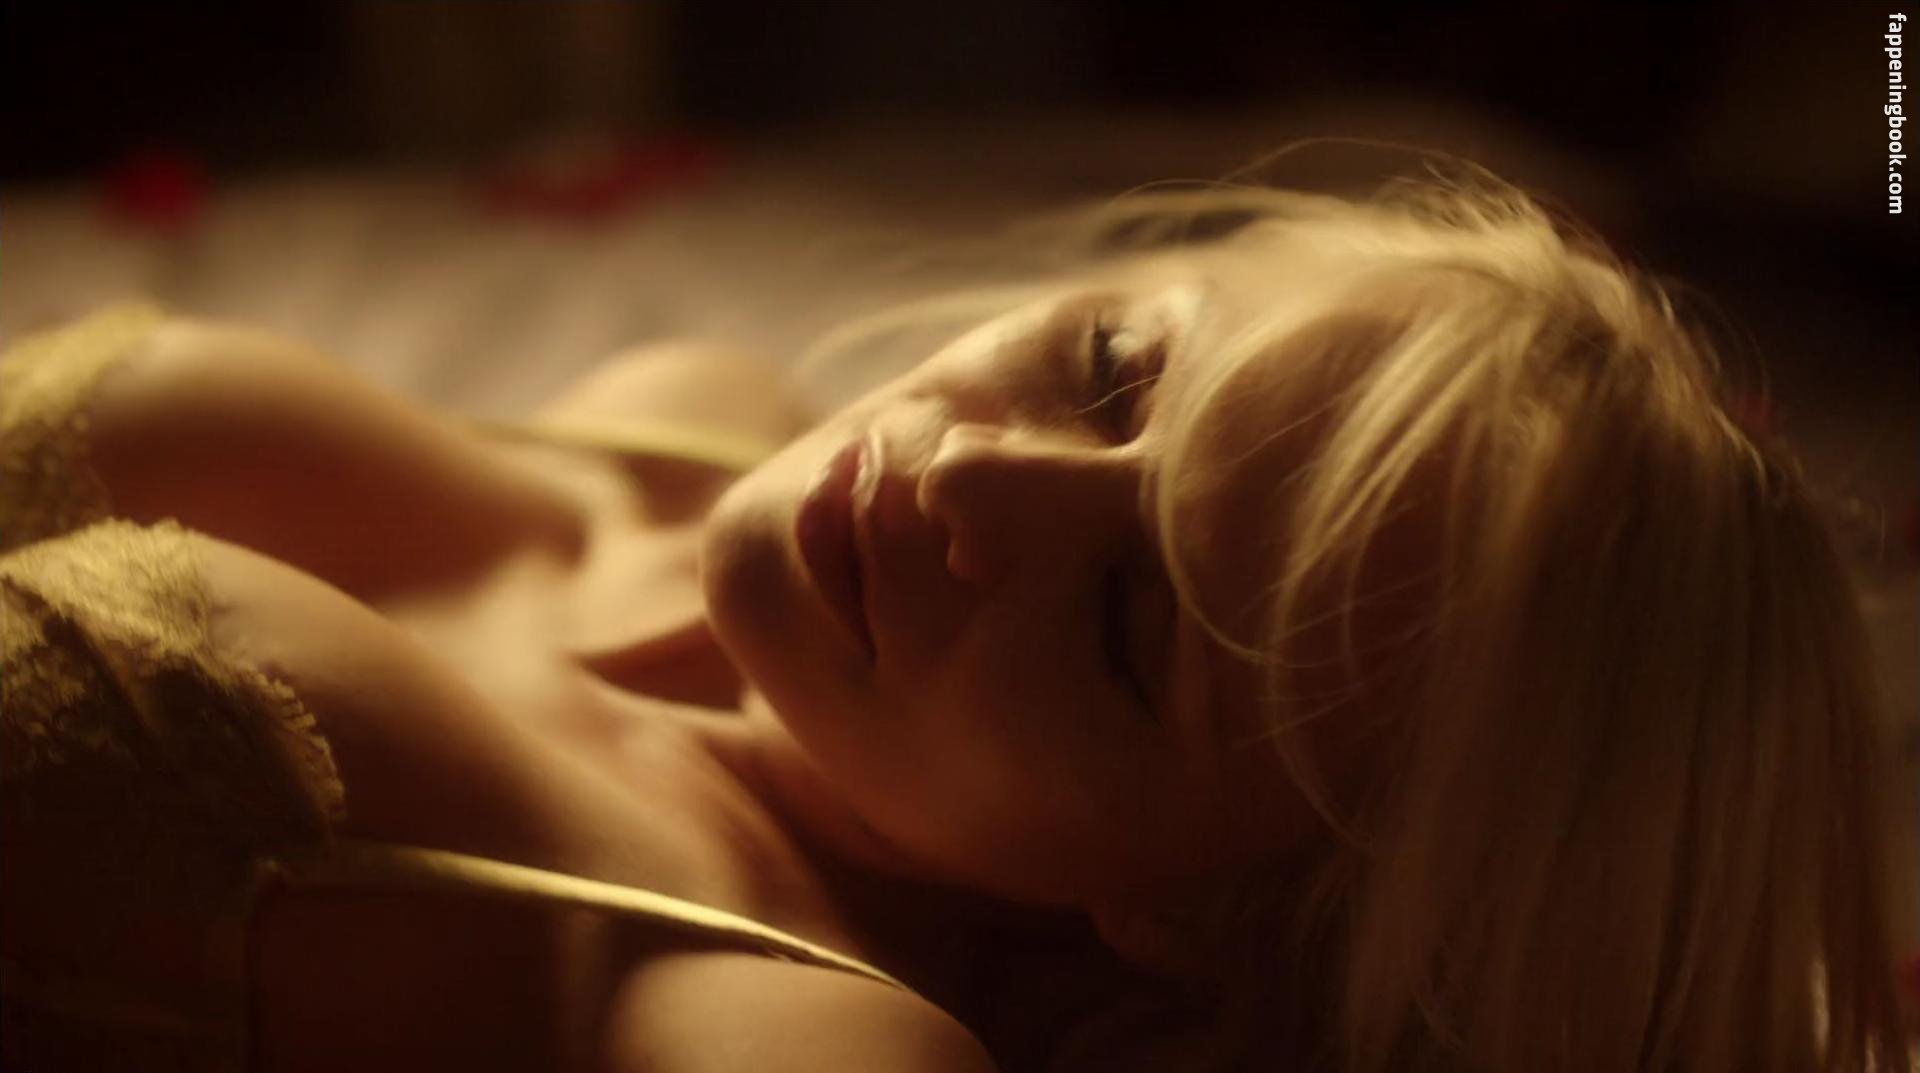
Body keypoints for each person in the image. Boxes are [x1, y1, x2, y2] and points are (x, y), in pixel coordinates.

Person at [0, 172, 1909, 1073]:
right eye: (1112, 373)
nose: (968, 482)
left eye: (1137, 624)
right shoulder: (682, 417)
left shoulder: (790, 1029)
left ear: (1188, 913)